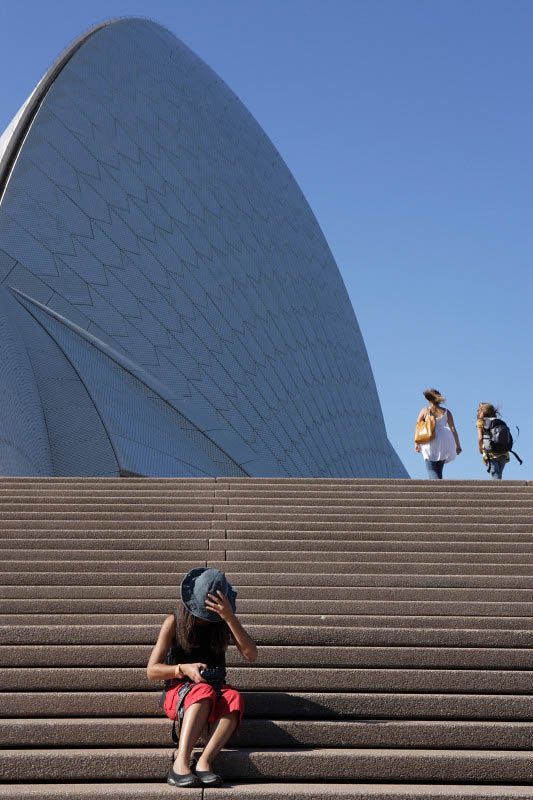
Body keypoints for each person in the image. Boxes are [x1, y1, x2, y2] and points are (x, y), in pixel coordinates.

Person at [147, 567, 257, 789]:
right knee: (203, 691)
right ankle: (180, 764)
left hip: (214, 689)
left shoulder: (222, 624)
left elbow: (251, 655)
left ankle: (205, 761)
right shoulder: (174, 622)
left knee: (234, 698)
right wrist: (183, 668)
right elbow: (152, 670)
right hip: (179, 691)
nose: (205, 619)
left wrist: (230, 618)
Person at [414, 388, 462, 479]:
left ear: (429, 399)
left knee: (431, 469)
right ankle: (441, 491)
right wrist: (458, 445)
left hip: (430, 440)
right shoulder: (447, 412)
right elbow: (453, 429)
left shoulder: (425, 410)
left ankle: (436, 491)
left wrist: (416, 443)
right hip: (445, 441)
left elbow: (418, 426)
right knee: (439, 471)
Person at [476, 402, 510, 479]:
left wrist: (480, 447)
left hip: (490, 453)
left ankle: (499, 491)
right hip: (504, 453)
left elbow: (480, 437)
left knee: (495, 476)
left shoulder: (481, 422)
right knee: (498, 475)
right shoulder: (499, 421)